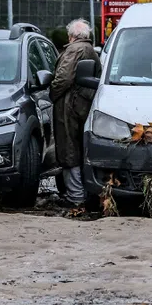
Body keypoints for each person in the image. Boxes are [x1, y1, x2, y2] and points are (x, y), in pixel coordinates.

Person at [50, 18, 101, 208]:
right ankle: (84, 194)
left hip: (69, 106)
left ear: (71, 36)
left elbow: (62, 78)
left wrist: (52, 94)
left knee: (68, 148)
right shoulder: (90, 50)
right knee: (80, 147)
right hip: (82, 103)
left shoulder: (74, 49)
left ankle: (75, 196)